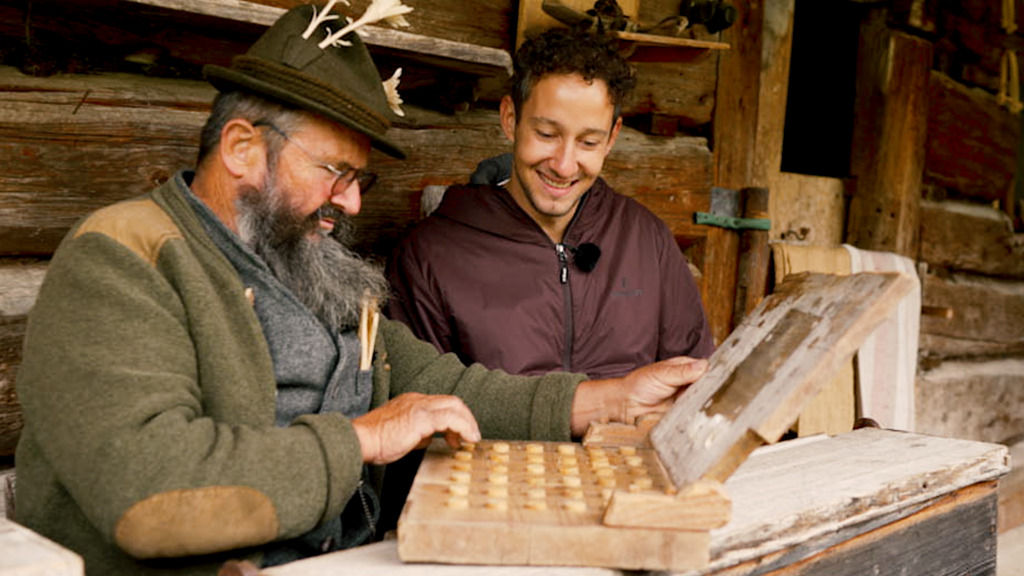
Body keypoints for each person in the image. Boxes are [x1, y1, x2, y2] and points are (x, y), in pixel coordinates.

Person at [13, 3, 708, 575]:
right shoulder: (124, 257)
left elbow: (441, 385)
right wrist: (361, 440)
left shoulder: (308, 265)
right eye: (333, 173)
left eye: (359, 180)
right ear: (242, 149)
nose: (350, 203)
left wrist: (612, 398)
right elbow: (146, 492)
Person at [386, 26, 715, 382]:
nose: (564, 165)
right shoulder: (428, 256)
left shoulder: (647, 240)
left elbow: (695, 383)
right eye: (546, 134)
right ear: (510, 119)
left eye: (589, 142)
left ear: (612, 137)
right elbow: (420, 394)